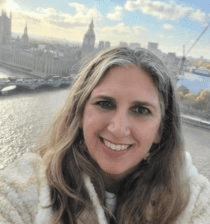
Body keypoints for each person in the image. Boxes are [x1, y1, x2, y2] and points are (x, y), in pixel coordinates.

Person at [0, 47, 209, 224]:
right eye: (105, 104)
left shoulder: (194, 200)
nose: (118, 129)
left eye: (141, 110)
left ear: (160, 130)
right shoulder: (23, 190)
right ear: (80, 113)